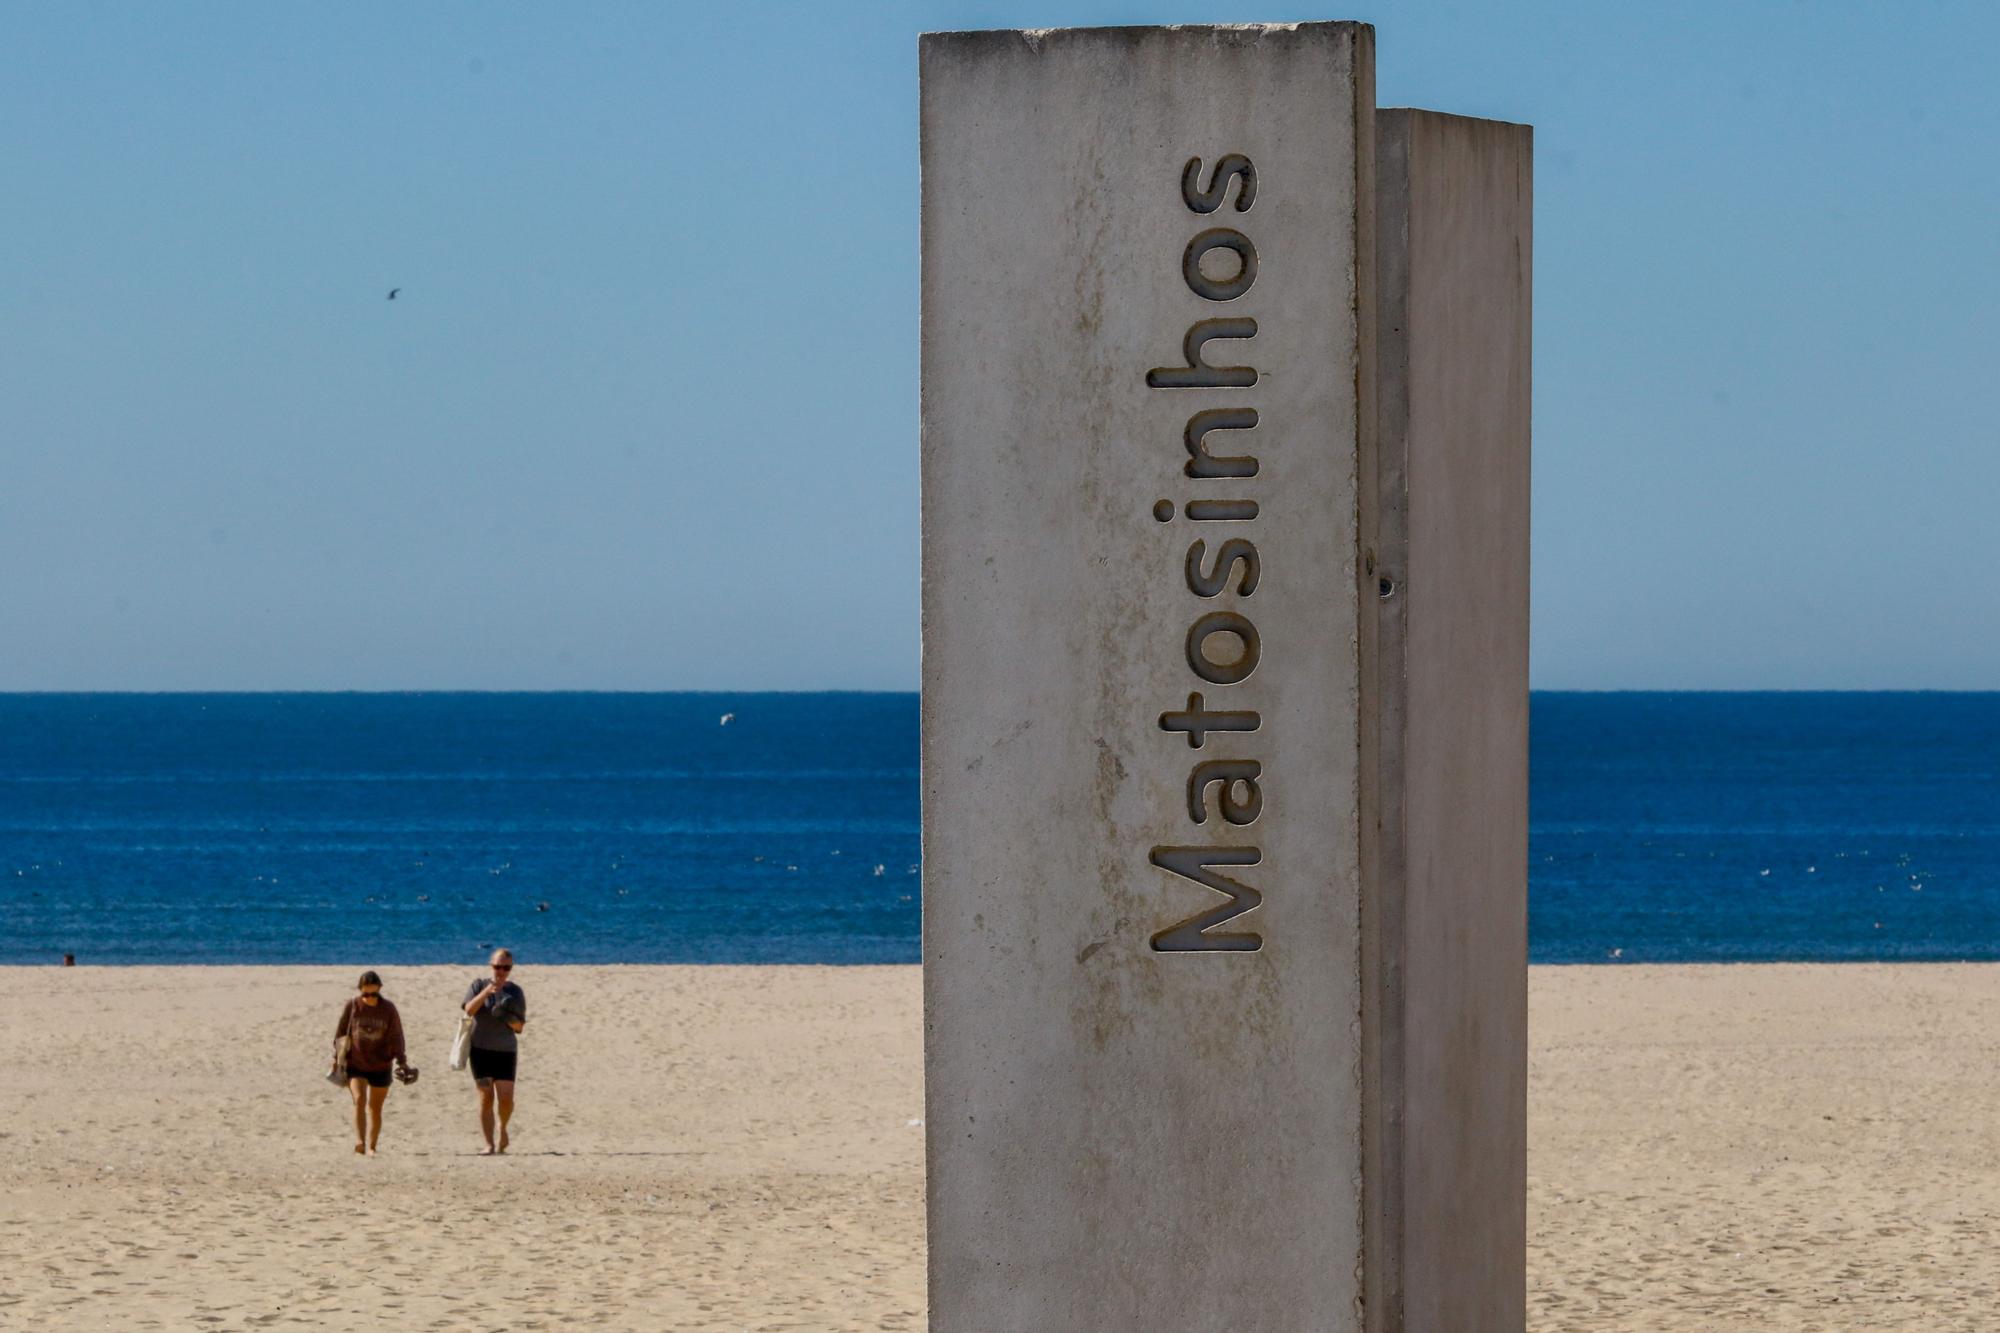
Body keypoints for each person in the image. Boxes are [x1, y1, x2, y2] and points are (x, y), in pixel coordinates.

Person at [332, 970, 411, 1155]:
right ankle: (360, 1142)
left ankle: (372, 1146)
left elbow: (396, 1035)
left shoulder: (388, 1009)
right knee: (359, 1100)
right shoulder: (352, 1006)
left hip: (381, 1064)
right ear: (360, 991)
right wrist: (336, 1059)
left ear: (380, 990)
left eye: (373, 994)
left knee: (375, 1108)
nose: (369, 998)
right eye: (365, 994)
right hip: (356, 1063)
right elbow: (340, 1033)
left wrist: (402, 1060)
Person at [461, 948, 527, 1155]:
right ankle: (489, 1143)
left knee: (506, 1098)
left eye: (506, 967)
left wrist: (506, 1015)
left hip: (505, 1051)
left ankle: (503, 1127)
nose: (501, 971)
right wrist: (486, 993)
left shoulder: (515, 992)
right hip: (480, 1050)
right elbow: (468, 1010)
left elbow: (519, 1028)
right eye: (498, 966)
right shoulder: (478, 985)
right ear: (491, 965)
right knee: (485, 1097)